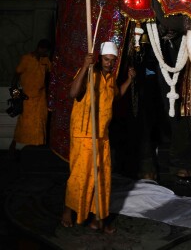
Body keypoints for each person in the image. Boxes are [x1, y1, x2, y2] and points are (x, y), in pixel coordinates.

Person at [61, 41, 136, 233]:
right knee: (80, 177)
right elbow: (72, 93)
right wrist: (85, 66)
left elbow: (116, 96)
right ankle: (68, 212)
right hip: (83, 134)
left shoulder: (110, 79)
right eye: (106, 59)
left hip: (102, 136)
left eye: (112, 60)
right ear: (99, 58)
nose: (109, 63)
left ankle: (98, 218)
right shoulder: (88, 74)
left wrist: (128, 80)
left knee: (102, 179)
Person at [9, 39, 52, 155]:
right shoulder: (26, 59)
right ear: (40, 48)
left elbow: (49, 75)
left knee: (40, 122)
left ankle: (37, 150)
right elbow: (15, 77)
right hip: (27, 98)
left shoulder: (45, 60)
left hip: (41, 98)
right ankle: (13, 147)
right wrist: (16, 96)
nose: (46, 53)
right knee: (24, 123)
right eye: (46, 51)